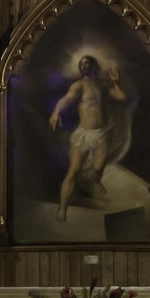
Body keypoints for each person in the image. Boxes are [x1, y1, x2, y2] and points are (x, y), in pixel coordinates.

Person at [49, 54, 128, 221]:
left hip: (101, 133)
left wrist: (116, 81)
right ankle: (62, 208)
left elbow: (121, 97)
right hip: (82, 134)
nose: (84, 66)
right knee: (73, 171)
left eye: (87, 63)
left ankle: (94, 183)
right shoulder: (79, 85)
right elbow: (67, 99)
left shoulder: (102, 85)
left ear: (94, 66)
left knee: (99, 167)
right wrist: (56, 111)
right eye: (82, 63)